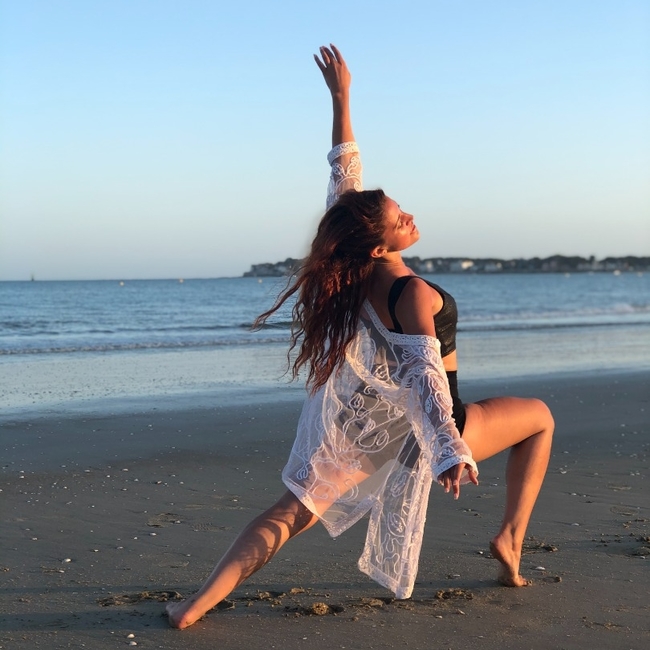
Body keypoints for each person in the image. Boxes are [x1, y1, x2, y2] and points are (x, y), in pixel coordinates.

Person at [166, 45, 554, 630]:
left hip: (371, 425)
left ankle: (193, 606)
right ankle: (511, 541)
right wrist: (450, 450)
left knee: (291, 512)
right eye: (400, 220)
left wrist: (341, 98)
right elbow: (425, 375)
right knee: (541, 418)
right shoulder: (412, 291)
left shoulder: (352, 272)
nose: (409, 218)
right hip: (432, 422)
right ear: (378, 245)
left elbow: (344, 179)